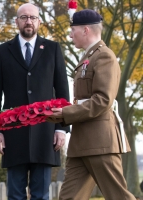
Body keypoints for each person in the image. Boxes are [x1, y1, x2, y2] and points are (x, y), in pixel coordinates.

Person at [48, 9, 136, 200]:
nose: (70, 34)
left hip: (100, 142)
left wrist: (66, 113)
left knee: (118, 196)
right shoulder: (88, 58)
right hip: (81, 142)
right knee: (69, 198)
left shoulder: (104, 56)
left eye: (73, 30)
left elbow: (103, 100)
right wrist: (62, 112)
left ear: (85, 30)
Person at [0, 3, 70, 200]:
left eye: (33, 17)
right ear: (17, 21)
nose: (28, 21)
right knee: (15, 194)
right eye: (24, 17)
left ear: (39, 21)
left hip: (45, 134)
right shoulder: (2, 51)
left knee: (41, 195)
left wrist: (61, 128)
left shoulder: (52, 49)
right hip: (13, 134)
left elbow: (62, 92)